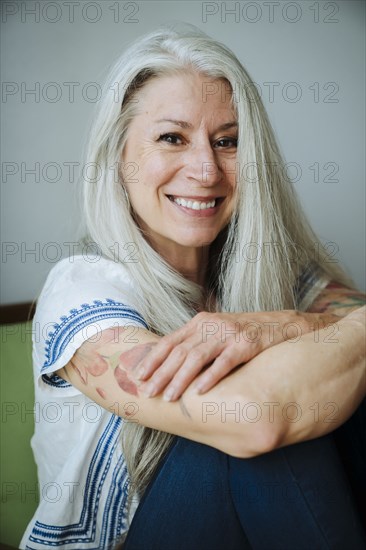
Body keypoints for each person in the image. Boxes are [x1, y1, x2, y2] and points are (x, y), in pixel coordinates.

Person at [20, 23, 366, 550]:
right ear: (119, 156)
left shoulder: (273, 271)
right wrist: (310, 334)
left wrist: (283, 324)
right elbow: (253, 420)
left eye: (227, 141)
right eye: (172, 138)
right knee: (255, 434)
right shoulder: (81, 287)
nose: (206, 169)